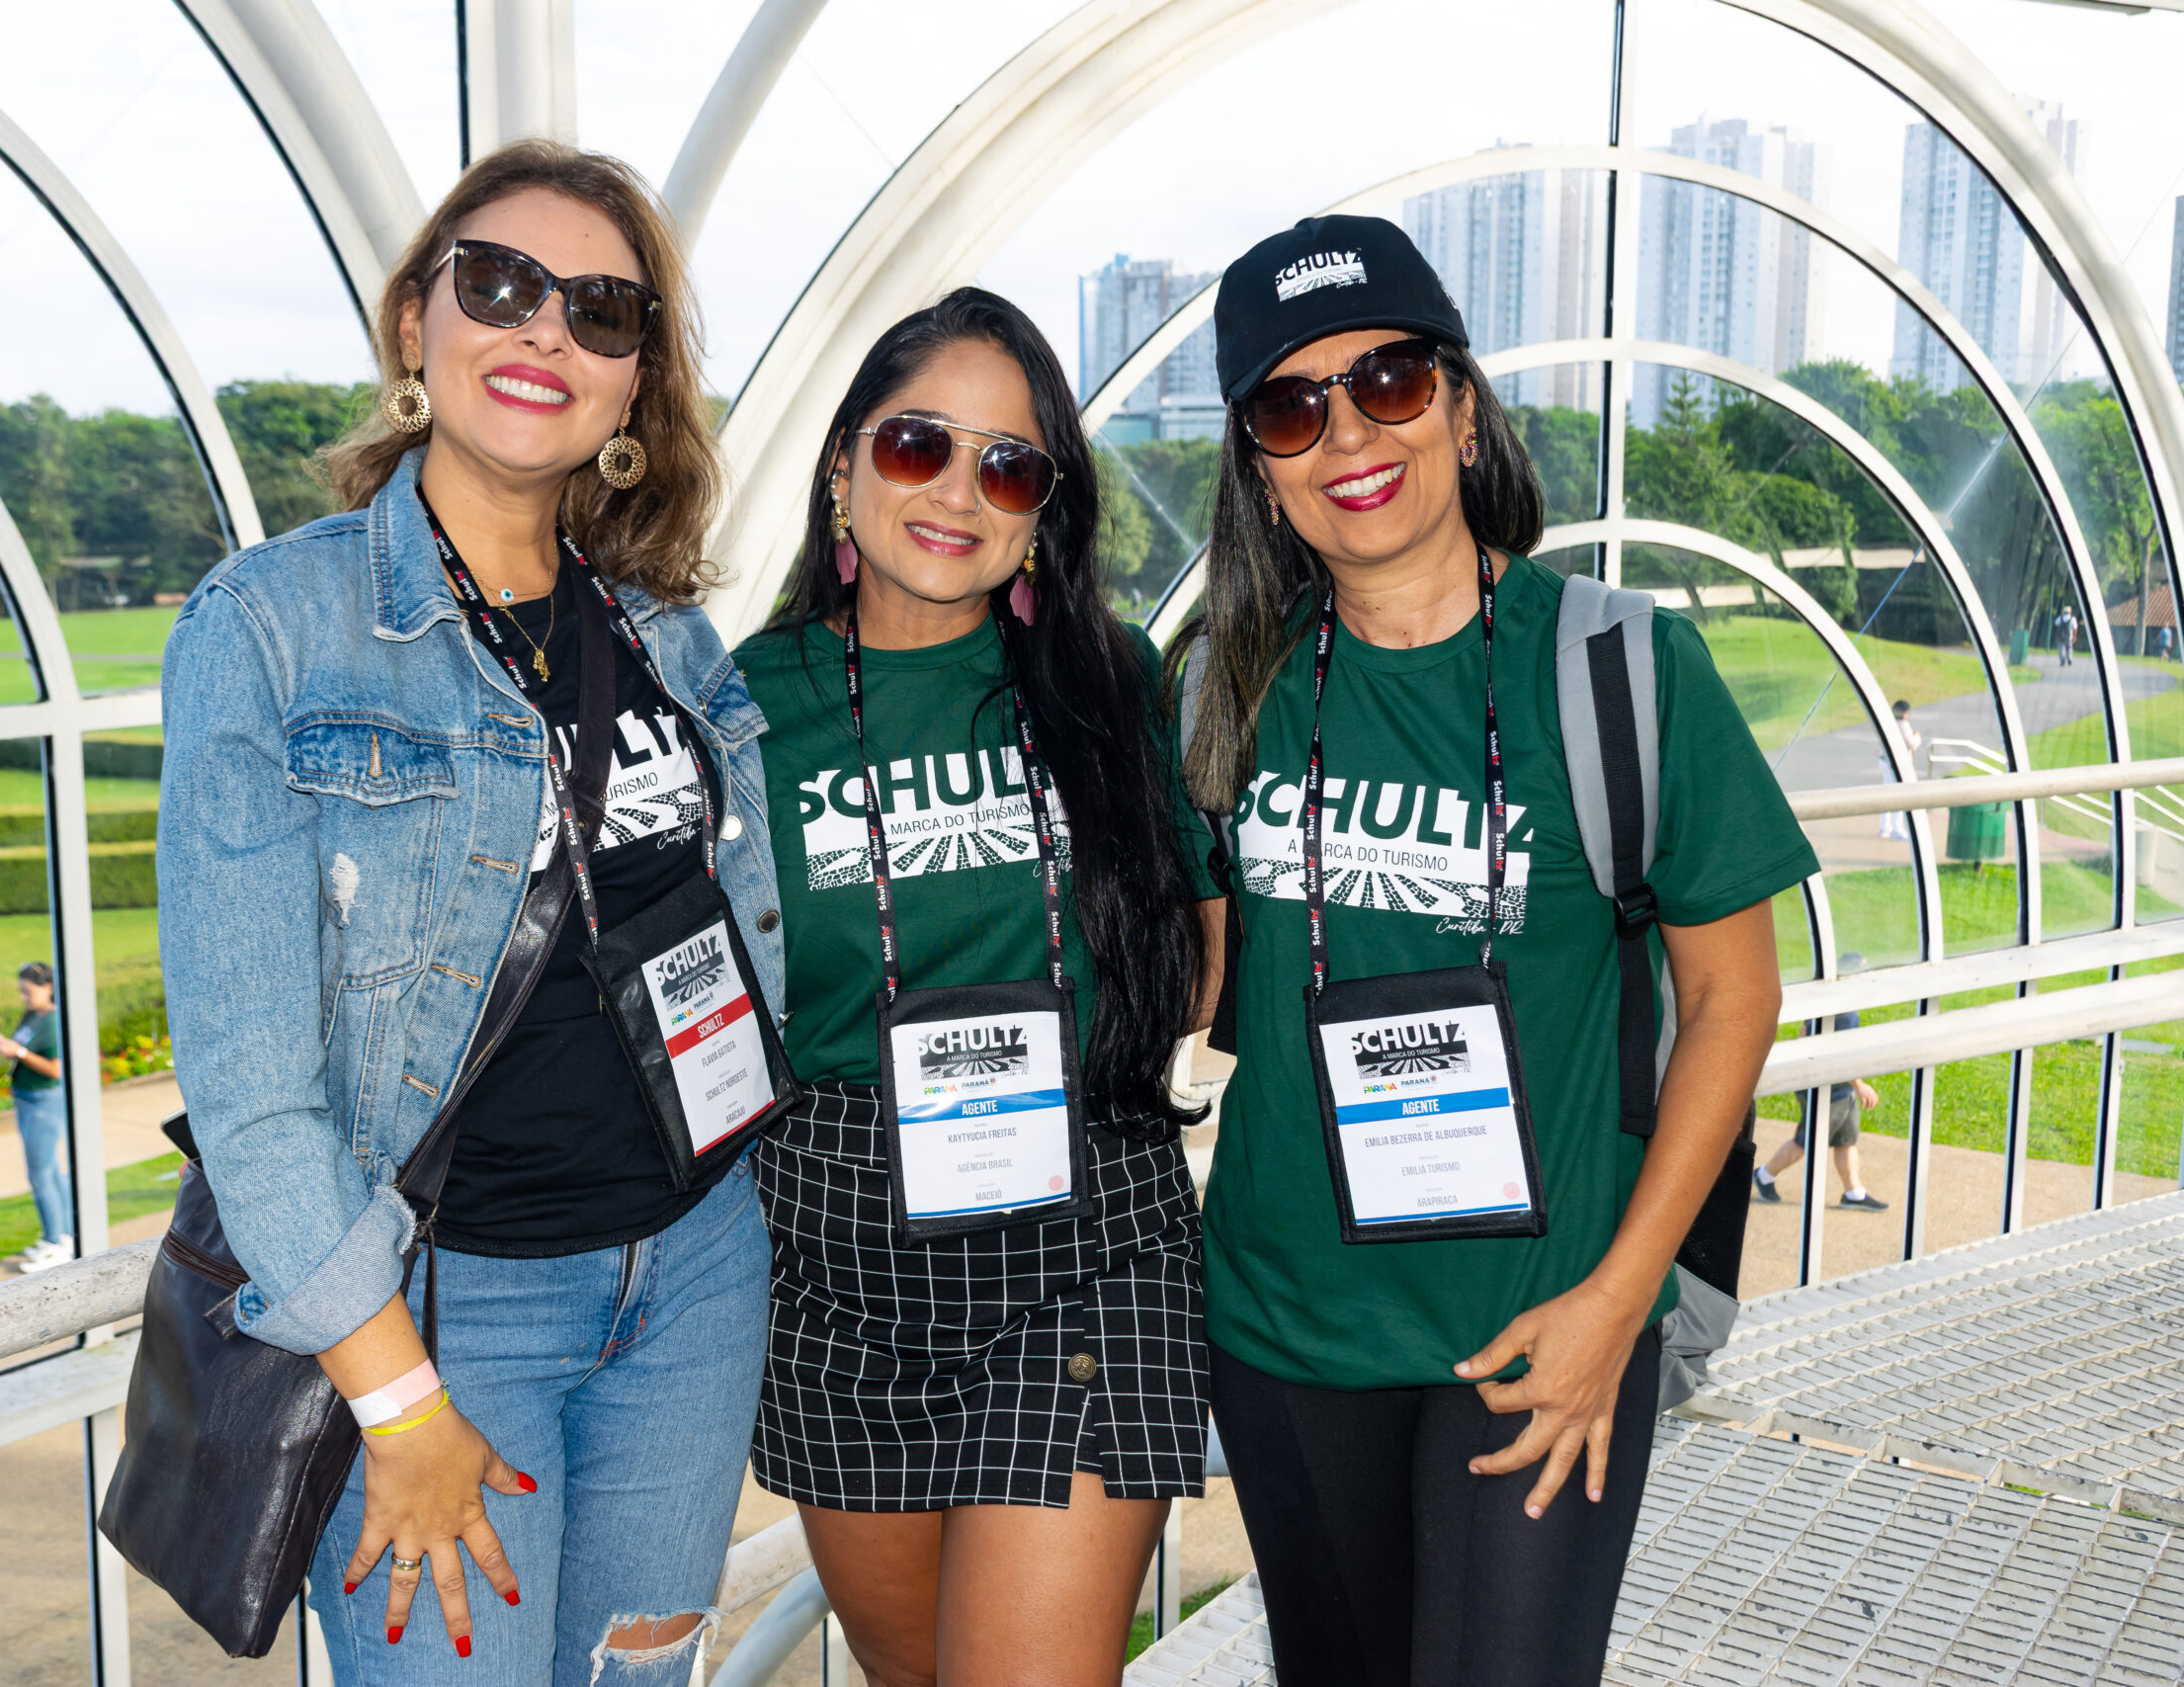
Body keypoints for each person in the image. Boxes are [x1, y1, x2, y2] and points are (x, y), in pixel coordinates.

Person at [157, 140, 784, 1686]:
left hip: (692, 1277)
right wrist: (396, 1399)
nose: (542, 333)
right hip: (443, 1318)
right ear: (413, 325)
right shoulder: (272, 629)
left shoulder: (666, 636)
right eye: (498, 284)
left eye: (600, 310)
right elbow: (250, 1086)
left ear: (635, 385)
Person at [1172, 216, 1814, 1687]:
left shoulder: (1622, 666)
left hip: (1545, 1320)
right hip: (1289, 1324)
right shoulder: (1219, 691)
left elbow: (1734, 997)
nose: (1346, 430)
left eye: (1388, 378)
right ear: (1260, 470)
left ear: (1462, 404)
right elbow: (1208, 989)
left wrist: (1615, 1304)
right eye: (1292, 404)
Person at [733, 288, 1219, 1687]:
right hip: (837, 1240)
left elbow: (1205, 917)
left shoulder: (1101, 676)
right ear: (842, 464)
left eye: (1006, 465)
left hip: (1087, 1240)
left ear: (1040, 509)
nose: (956, 490)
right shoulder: (739, 702)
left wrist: (1177, 1083)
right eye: (915, 445)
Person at [1755, 954, 1885, 1211]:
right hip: (1826, 1090)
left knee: (1846, 1141)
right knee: (1806, 1142)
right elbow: (1838, 1053)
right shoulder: (1844, 1013)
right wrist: (1859, 1084)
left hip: (1835, 1088)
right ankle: (1764, 1175)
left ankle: (1853, 1193)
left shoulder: (1825, 1000)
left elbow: (1804, 1035)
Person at [0, 960, 70, 1273]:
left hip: (45, 1100)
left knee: (40, 1173)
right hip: (27, 1099)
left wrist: (17, 1053)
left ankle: (55, 1242)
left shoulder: (54, 1021)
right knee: (51, 1170)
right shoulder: (35, 1015)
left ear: (48, 988)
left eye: (27, 991)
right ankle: (63, 1235)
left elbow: (57, 1069)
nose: (23, 997)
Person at [1878, 698, 1921, 842]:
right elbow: (1911, 743)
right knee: (1899, 796)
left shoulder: (1887, 723)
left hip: (1885, 761)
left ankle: (1885, 828)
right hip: (1898, 765)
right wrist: (1917, 737)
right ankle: (1897, 829)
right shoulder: (1903, 725)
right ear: (1906, 713)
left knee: (1886, 794)